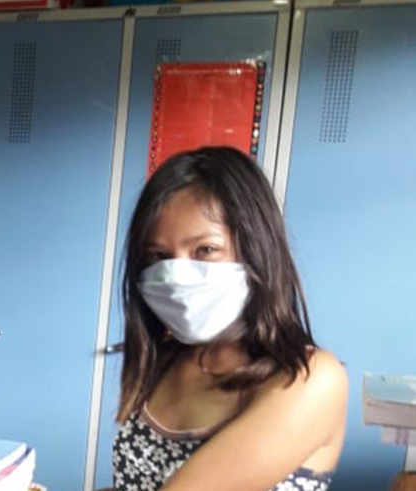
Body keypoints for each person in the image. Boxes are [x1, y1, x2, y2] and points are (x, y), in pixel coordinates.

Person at [111, 147, 348, 491]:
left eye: (205, 250)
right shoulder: (166, 358)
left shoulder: (310, 378)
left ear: (256, 249)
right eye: (159, 256)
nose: (177, 275)